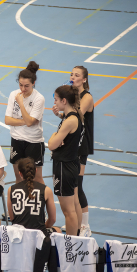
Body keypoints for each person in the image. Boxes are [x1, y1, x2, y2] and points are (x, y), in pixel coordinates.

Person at [52, 66, 93, 237]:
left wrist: (57, 133)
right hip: (72, 151)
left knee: (74, 195)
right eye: (72, 74)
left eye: (77, 75)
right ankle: (76, 229)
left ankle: (82, 228)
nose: (73, 77)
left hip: (75, 151)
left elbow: (53, 143)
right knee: (74, 196)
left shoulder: (85, 99)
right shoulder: (71, 111)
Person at [48, 85, 84, 236]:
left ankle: (70, 244)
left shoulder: (69, 121)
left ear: (64, 100)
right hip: (72, 163)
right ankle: (78, 238)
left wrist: (54, 135)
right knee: (75, 205)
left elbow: (51, 144)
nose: (55, 103)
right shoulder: (75, 115)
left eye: (56, 99)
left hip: (63, 168)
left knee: (68, 212)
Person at [4, 61, 45, 184]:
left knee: (36, 179)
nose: (22, 89)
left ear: (33, 83)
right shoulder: (13, 94)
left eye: (26, 86)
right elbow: (7, 120)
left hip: (34, 142)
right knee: (19, 178)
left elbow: (30, 122)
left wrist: (21, 104)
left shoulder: (39, 99)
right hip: (16, 139)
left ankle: (42, 201)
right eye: (20, 85)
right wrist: (25, 121)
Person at [7, 157, 61, 236]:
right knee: (58, 230)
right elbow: (52, 219)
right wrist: (43, 226)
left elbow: (12, 218)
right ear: (36, 171)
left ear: (20, 173)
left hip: (18, 235)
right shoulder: (46, 190)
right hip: (38, 235)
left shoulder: (11, 189)